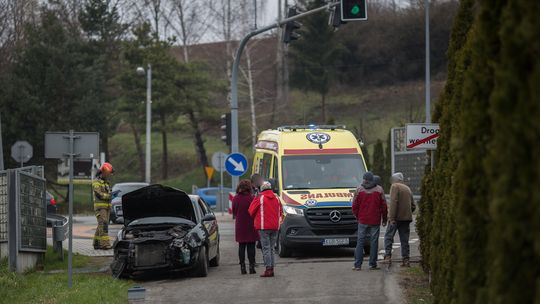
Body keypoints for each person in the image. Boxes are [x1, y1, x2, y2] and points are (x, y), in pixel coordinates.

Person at [352, 172, 387, 270]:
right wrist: (384, 219)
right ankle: (372, 264)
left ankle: (357, 265)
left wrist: (357, 216)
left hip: (362, 220)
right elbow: (384, 206)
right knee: (374, 242)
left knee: (360, 241)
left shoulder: (359, 190)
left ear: (364, 179)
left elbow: (354, 206)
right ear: (372, 179)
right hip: (375, 220)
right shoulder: (379, 190)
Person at [248, 181, 282, 278]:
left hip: (263, 227)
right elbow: (280, 212)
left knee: (266, 248)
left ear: (262, 189)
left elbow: (250, 211)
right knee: (271, 248)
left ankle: (268, 269)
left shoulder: (260, 197)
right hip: (275, 226)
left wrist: (255, 197)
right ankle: (271, 269)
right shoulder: (277, 197)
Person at [383, 172, 416, 267]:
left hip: (396, 218)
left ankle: (388, 257)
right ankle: (406, 260)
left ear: (395, 179)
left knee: (388, 237)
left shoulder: (395, 186)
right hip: (406, 219)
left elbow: (393, 202)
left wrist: (391, 217)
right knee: (404, 240)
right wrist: (407, 212)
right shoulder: (407, 188)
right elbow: (413, 206)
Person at [232, 179, 259, 275]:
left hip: (240, 225)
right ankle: (252, 267)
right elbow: (256, 211)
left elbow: (234, 212)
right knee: (251, 246)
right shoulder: (252, 198)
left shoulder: (235, 198)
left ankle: (242, 267)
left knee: (241, 246)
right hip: (251, 224)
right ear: (249, 188)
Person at [92, 162, 114, 250]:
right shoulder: (96, 182)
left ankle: (96, 243)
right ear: (103, 172)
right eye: (107, 174)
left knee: (101, 224)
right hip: (100, 208)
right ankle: (105, 244)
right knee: (104, 225)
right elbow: (99, 194)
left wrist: (112, 194)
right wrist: (109, 196)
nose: (108, 175)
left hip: (106, 207)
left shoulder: (106, 183)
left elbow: (108, 192)